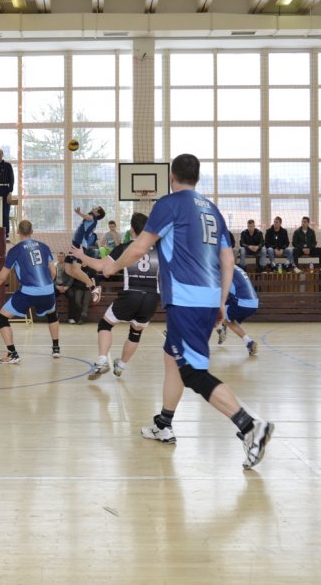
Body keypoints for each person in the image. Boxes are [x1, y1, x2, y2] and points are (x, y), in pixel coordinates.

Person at [98, 153, 273, 470]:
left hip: (186, 299)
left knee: (192, 372)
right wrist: (221, 301)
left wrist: (112, 266)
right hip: (207, 298)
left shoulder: (170, 204)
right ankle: (163, 423)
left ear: (171, 177)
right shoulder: (213, 210)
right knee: (172, 358)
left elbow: (139, 247)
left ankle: (250, 426)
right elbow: (228, 261)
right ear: (197, 177)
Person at [72, 212, 158, 380]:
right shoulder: (159, 249)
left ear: (132, 230)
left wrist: (81, 255)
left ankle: (102, 360)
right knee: (136, 333)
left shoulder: (125, 248)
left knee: (105, 324)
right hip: (152, 298)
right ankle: (121, 365)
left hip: (131, 294)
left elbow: (100, 266)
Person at [0, 219, 61, 363]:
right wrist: (46, 287)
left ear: (18, 232)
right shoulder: (44, 247)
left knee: (1, 318)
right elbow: (53, 272)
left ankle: (12, 353)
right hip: (48, 290)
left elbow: (2, 276)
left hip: (28, 292)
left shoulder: (15, 250)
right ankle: (56, 348)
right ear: (32, 231)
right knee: (52, 314)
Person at [63, 205, 106, 304]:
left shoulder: (93, 217)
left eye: (96, 208)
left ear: (98, 213)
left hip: (80, 245)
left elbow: (88, 217)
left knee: (76, 269)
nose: (94, 207)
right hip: (75, 244)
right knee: (68, 269)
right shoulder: (91, 219)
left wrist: (79, 213)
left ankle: (93, 288)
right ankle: (90, 282)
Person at [215, 265, 260, 356]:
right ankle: (222, 327)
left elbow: (223, 290)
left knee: (216, 311)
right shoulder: (233, 267)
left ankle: (221, 328)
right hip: (253, 302)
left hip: (243, 303)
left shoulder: (223, 268)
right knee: (226, 317)